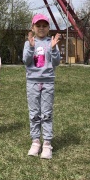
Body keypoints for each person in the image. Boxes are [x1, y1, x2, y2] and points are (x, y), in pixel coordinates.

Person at [23, 14, 61, 159]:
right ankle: (35, 141)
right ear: (33, 27)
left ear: (48, 28)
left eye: (44, 26)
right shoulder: (29, 43)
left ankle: (47, 143)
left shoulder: (51, 42)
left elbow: (56, 62)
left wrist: (53, 48)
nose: (41, 28)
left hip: (48, 82)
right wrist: (31, 48)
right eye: (38, 26)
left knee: (46, 113)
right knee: (34, 113)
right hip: (32, 82)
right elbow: (26, 61)